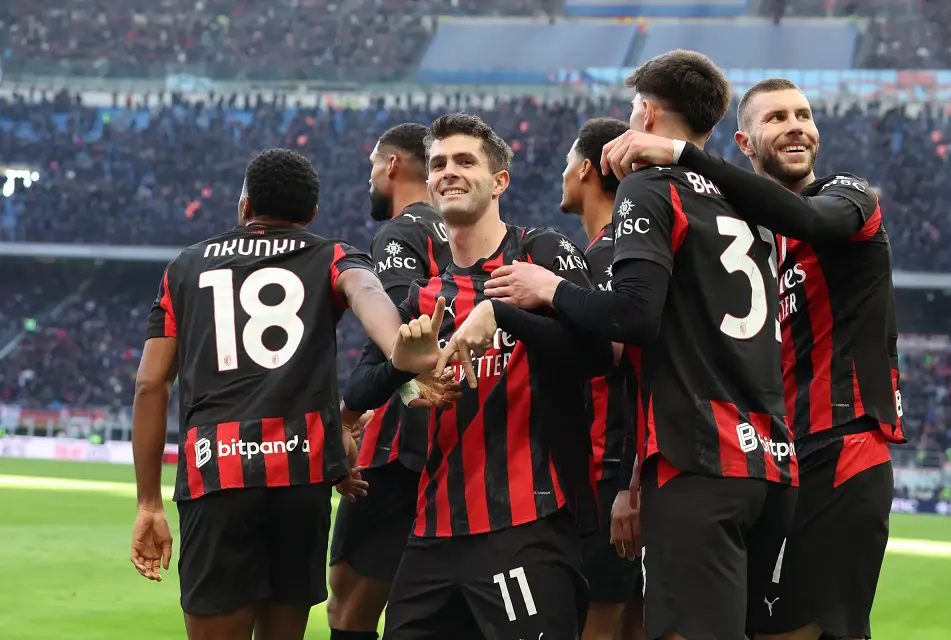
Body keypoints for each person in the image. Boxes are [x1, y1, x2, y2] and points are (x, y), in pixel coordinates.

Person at [483, 51, 798, 640]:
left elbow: (633, 315)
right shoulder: (746, 199)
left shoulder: (649, 187)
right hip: (770, 460)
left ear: (647, 115)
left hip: (699, 459)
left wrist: (549, 288)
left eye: (632, 111)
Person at [600, 77, 905, 640]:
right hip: (770, 458)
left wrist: (682, 153)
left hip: (842, 448)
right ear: (743, 143)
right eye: (776, 118)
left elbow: (811, 221)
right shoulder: (742, 230)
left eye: (803, 115)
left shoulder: (849, 194)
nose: (795, 127)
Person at [129, 148, 449, 640]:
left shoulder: (184, 268)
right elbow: (366, 291)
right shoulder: (333, 255)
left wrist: (149, 504)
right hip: (299, 479)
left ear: (245, 206)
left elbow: (150, 384)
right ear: (312, 213)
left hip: (217, 477)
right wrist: (399, 347)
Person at [341, 113, 613, 640]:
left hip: (527, 524)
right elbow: (358, 388)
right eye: (439, 163)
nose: (449, 171)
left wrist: (503, 314)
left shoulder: (540, 253)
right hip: (432, 534)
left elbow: (597, 355)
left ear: (499, 181)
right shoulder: (424, 296)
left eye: (466, 161)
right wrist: (404, 369)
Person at [328, 123, 451, 640]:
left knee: (348, 604)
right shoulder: (460, 230)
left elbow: (401, 331)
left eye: (373, 166)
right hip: (455, 443)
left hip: (400, 448)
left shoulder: (401, 232)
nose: (370, 178)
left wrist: (352, 412)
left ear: (393, 165)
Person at [559, 116, 645, 640]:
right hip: (626, 468)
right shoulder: (622, 250)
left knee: (597, 618)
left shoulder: (609, 254)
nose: (563, 173)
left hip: (609, 467)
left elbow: (613, 352)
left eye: (568, 162)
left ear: (587, 169)